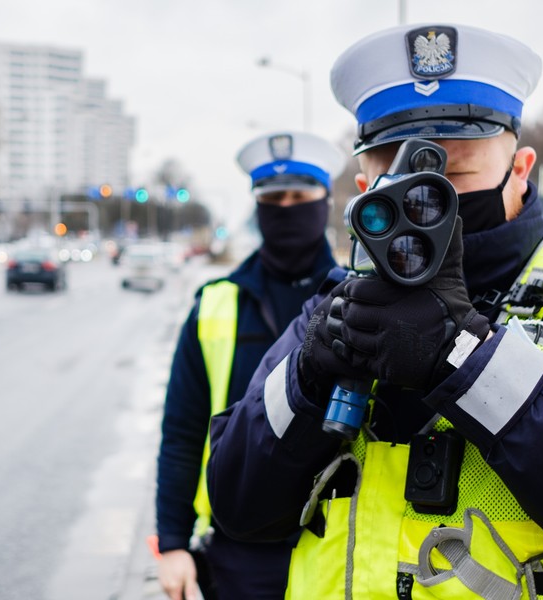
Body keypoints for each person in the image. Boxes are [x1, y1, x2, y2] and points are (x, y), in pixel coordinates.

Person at [207, 23, 543, 599]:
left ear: (522, 169)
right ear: (363, 187)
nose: (427, 201)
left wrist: (466, 358)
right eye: (398, 178)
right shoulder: (334, 309)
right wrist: (310, 377)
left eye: (454, 174)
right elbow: (237, 505)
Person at [155, 131, 347, 599]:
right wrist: (173, 543)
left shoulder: (357, 300)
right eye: (272, 198)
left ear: (325, 201)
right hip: (242, 545)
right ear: (257, 207)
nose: (286, 207)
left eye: (299, 196)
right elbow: (183, 430)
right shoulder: (216, 304)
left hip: (341, 538)